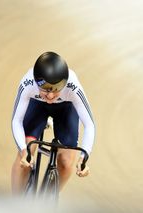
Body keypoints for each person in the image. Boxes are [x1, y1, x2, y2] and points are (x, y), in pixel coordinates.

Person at [11, 51, 95, 194]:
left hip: (65, 108)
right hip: (37, 105)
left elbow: (89, 124)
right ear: (36, 82)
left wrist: (83, 157)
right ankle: (16, 204)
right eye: (45, 90)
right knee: (26, 157)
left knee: (67, 163)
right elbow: (16, 120)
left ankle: (46, 203)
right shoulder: (28, 83)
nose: (50, 96)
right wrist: (23, 150)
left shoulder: (73, 87)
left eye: (56, 90)